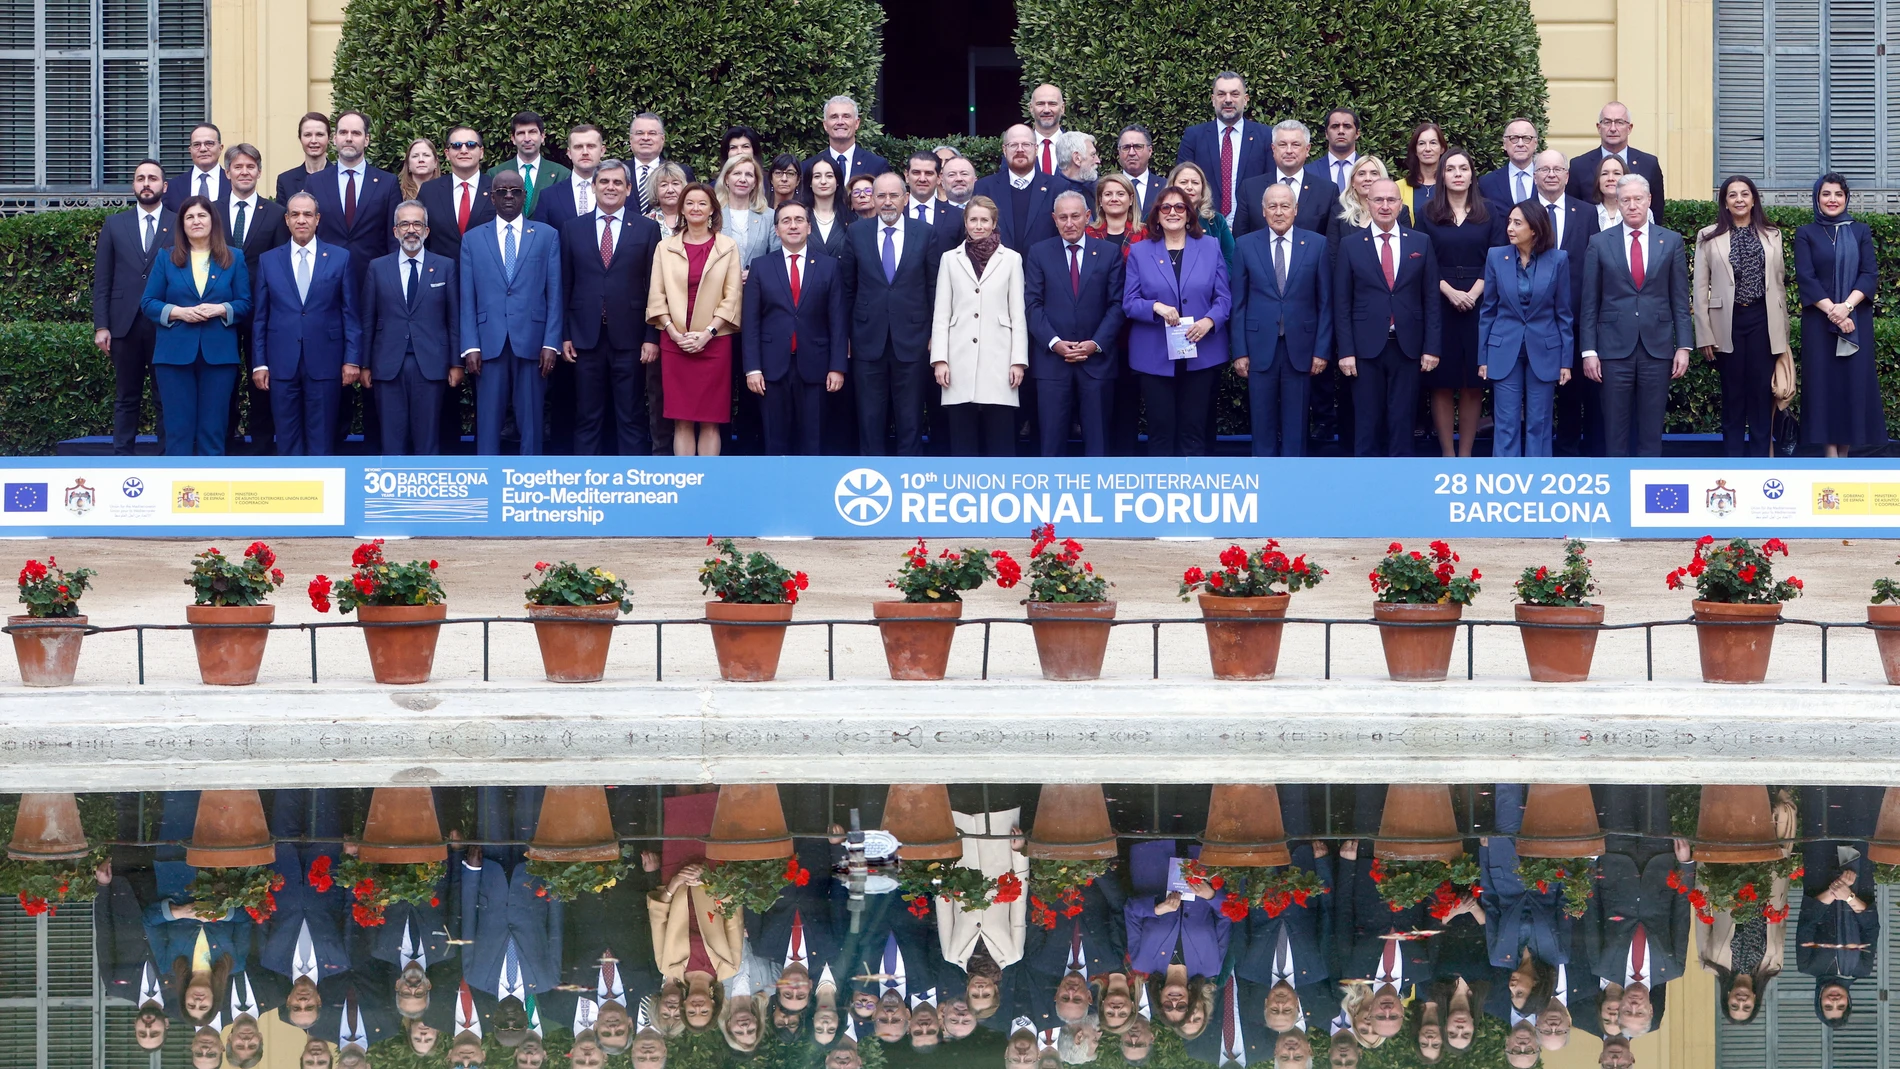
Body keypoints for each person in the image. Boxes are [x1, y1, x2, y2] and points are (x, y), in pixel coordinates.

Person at [1580, 174, 1694, 457]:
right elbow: (1589, 302)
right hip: (1612, 348)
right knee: (1614, 429)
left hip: (1657, 348)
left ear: (1649, 201)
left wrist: (1684, 346)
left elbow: (1680, 299)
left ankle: (1648, 489)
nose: (1632, 205)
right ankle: (1618, 492)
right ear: (1617, 203)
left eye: (1638, 199)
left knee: (1651, 428)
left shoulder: (1671, 241)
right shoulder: (1599, 242)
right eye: (1626, 200)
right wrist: (1588, 351)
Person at [1334, 179, 1442, 457]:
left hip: (1408, 347)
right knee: (1366, 424)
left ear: (1400, 205)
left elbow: (1431, 299)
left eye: (1391, 200)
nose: (1384, 205)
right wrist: (1345, 351)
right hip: (1364, 349)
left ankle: (1400, 489)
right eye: (1378, 200)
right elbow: (1342, 303)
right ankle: (1364, 489)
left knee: (1403, 423)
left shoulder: (1421, 242)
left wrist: (1431, 348)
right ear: (1367, 203)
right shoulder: (1350, 245)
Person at [1122, 185, 1232, 456]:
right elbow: (1129, 303)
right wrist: (1155, 306)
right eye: (1165, 207)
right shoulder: (1140, 251)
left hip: (1203, 351)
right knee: (1160, 431)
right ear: (1156, 215)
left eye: (1180, 207)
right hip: (1154, 354)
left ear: (1189, 214)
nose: (1173, 212)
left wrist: (1209, 321)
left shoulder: (1210, 246)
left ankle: (1193, 493)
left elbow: (1224, 298)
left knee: (1194, 431)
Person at [561, 159, 661, 457]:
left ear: (629, 189)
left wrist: (651, 337)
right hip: (584, 337)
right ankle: (586, 485)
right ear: (593, 187)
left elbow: (654, 286)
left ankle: (632, 487)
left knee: (630, 415)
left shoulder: (646, 228)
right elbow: (565, 285)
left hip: (630, 338)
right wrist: (565, 334)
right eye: (604, 182)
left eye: (618, 182)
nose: (610, 187)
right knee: (587, 416)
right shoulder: (571, 229)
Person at [460, 169, 563, 455]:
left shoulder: (546, 235)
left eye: (515, 191)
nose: (508, 196)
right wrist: (470, 345)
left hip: (532, 342)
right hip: (488, 341)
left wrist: (550, 342)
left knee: (531, 420)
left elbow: (555, 295)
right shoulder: (472, 239)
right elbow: (467, 298)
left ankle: (529, 481)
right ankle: (487, 479)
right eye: (502, 191)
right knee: (488, 421)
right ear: (492, 197)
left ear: (524, 196)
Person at [249, 191, 360, 455]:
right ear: (286, 220)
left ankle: (321, 493)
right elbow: (261, 317)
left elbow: (350, 313)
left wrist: (352, 359)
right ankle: (292, 493)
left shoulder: (339, 257)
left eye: (307, 214)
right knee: (286, 438)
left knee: (322, 438)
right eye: (295, 214)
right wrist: (260, 363)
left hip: (326, 361)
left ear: (318, 219)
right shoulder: (269, 260)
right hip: (281, 362)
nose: (301, 220)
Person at [140, 195, 250, 455]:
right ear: (182, 224)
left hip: (219, 356)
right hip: (174, 356)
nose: (196, 221)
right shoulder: (166, 258)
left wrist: (222, 308)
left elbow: (245, 303)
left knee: (213, 432)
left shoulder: (234, 257)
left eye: (202, 215)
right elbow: (148, 302)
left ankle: (212, 493)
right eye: (189, 217)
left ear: (213, 221)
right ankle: (177, 493)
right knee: (178, 432)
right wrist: (178, 312)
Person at [841, 172, 940, 455]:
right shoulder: (856, 233)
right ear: (872, 198)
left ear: (906, 198)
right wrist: (847, 335)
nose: (887, 202)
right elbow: (847, 288)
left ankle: (908, 476)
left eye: (893, 195)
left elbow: (934, 288)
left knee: (910, 418)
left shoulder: (925, 233)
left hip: (913, 340)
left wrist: (935, 334)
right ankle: (872, 474)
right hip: (866, 340)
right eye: (881, 195)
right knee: (870, 419)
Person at [1233, 182, 1332, 456]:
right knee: (1261, 425)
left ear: (1296, 209)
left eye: (1285, 206)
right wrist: (1239, 351)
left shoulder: (1317, 244)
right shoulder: (1244, 245)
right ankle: (1264, 484)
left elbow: (1325, 303)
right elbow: (1238, 303)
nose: (1279, 212)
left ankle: (1293, 485)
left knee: (1296, 426)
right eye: (1272, 206)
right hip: (1258, 347)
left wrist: (1322, 351)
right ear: (1263, 211)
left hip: (1301, 347)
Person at [1693, 176, 1789, 458]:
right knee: (1733, 397)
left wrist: (1782, 334)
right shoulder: (1708, 236)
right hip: (1727, 323)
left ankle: (1760, 465)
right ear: (1724, 201)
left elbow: (1779, 284)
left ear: (1754, 199)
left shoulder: (1772, 234)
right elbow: (1700, 288)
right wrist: (1704, 334)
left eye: (1744, 194)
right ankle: (1733, 465)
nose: (1739, 199)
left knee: (1761, 396)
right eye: (1732, 195)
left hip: (1763, 320)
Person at [743, 201, 846, 455]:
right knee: (774, 441)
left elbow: (837, 320)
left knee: (814, 441)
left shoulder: (829, 266)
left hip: (816, 367)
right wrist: (752, 368)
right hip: (771, 368)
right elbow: (751, 322)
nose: (793, 225)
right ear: (776, 230)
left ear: (809, 227)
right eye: (786, 221)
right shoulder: (761, 266)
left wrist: (837, 367)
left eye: (799, 220)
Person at [648, 182, 742, 456]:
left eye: (702, 203)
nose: (696, 208)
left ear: (713, 208)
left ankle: (707, 486)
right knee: (682, 420)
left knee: (711, 421)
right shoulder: (665, 248)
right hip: (674, 341)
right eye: (690, 203)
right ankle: (686, 484)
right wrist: (674, 333)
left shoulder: (727, 246)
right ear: (682, 209)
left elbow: (732, 296)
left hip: (714, 342)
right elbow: (656, 296)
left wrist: (708, 333)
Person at [930, 195, 1028, 456]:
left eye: (985, 220)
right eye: (973, 220)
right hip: (958, 356)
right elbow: (941, 313)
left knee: (1001, 437)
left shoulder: (1012, 259)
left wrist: (1018, 360)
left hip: (999, 357)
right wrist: (940, 359)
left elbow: (1018, 313)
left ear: (994, 223)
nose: (979, 225)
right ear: (966, 223)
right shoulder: (950, 259)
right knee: (962, 437)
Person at [1416, 148, 1496, 458]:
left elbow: (1497, 257)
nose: (1458, 174)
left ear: (1472, 174)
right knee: (1442, 382)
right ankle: (1447, 457)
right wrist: (1449, 292)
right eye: (1451, 169)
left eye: (1464, 168)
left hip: (1480, 301)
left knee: (1473, 381)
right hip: (1439, 301)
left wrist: (1474, 293)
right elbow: (1422, 259)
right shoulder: (1426, 213)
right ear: (1442, 175)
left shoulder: (1490, 212)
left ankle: (1466, 457)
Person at [1796, 173, 1882, 458]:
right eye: (1826, 194)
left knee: (1851, 384)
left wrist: (1846, 307)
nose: (1832, 200)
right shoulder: (1806, 232)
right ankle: (1829, 455)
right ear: (1817, 198)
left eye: (1838, 194)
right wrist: (1833, 312)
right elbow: (1806, 278)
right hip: (1819, 323)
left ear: (1846, 198)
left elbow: (1869, 274)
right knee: (1823, 385)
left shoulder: (1860, 231)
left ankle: (1844, 456)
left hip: (1855, 320)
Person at [1479, 201, 1573, 456]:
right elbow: (1488, 310)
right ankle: (1505, 480)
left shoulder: (1558, 259)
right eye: (1509, 221)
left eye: (1517, 223)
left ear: (1535, 229)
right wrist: (1483, 357)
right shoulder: (1496, 256)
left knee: (1539, 423)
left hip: (1544, 349)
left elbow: (1563, 314)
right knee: (1506, 423)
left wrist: (1566, 361)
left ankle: (1538, 480)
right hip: (1503, 347)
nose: (1510, 228)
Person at [92, 160, 173, 454]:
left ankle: (169, 460)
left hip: (166, 324)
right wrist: (102, 325)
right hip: (123, 324)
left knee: (165, 396)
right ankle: (121, 458)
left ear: (164, 187)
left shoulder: (179, 223)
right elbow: (103, 279)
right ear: (134, 185)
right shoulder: (115, 224)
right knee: (126, 396)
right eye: (140, 178)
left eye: (153, 178)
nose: (146, 183)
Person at [1528, 148, 1604, 457]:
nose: (1550, 174)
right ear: (1535, 177)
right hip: (1533, 321)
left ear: (1567, 176)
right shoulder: (1522, 211)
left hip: (1575, 318)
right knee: (1538, 395)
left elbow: (1596, 263)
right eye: (1544, 169)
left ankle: (1573, 455)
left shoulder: (1585, 212)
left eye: (1557, 169)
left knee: (1576, 393)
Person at [223, 144, 290, 451]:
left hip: (261, 311)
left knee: (260, 380)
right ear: (227, 173)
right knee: (222, 381)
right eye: (238, 167)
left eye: (251, 167)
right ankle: (225, 440)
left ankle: (262, 445)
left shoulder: (276, 213)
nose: (245, 172)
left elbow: (279, 262)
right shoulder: (210, 210)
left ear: (259, 172)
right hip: (219, 311)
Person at [308, 111, 399, 287]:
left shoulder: (387, 183)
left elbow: (393, 237)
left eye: (356, 133)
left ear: (367, 139)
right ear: (334, 138)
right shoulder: (315, 182)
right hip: (325, 280)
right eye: (343, 132)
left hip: (374, 280)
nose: (349, 138)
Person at [1178, 72, 1270, 225]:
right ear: (1213, 100)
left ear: (1245, 100)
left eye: (1234, 94)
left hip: (1252, 227)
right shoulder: (1193, 136)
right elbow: (1180, 182)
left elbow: (1271, 182)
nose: (1228, 100)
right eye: (1221, 94)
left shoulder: (1266, 136)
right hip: (1203, 225)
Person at [1235, 119, 1339, 239]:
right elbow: (1240, 240)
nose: (1289, 151)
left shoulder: (1327, 191)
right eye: (1283, 145)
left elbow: (1332, 243)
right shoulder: (1250, 189)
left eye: (1295, 145)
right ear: (1273, 149)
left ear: (1307, 149)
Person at [976, 126, 1066, 252]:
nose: (1020, 150)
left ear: (1036, 149)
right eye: (1013, 145)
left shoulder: (1059, 188)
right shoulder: (984, 188)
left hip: (1044, 269)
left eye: (1026, 144)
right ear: (1004, 150)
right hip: (998, 268)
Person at [1568, 101, 1666, 207]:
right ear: (1599, 127)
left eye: (1619, 122)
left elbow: (1657, 209)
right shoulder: (1579, 165)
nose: (1613, 129)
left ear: (1629, 128)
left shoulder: (1649, 164)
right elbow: (1574, 209)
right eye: (1607, 122)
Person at [417, 125, 493, 262]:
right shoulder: (429, 191)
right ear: (447, 154)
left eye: (471, 145)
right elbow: (421, 238)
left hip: (485, 274)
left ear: (481, 152)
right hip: (441, 276)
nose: (464, 150)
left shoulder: (496, 189)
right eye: (457, 145)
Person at [491, 111, 569, 219]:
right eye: (521, 133)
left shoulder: (561, 174)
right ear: (513, 139)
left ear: (542, 136)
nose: (527, 139)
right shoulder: (495, 173)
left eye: (532, 132)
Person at [535, 123, 606, 230]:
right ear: (569, 153)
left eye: (591, 146)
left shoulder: (618, 193)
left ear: (602, 151)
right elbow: (542, 239)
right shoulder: (548, 196)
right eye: (578, 147)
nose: (585, 152)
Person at [1167, 161, 1236, 270]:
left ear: (1203, 188)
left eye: (1195, 182)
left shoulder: (1216, 221)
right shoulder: (1157, 218)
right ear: (1172, 186)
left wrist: (1214, 282)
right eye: (1183, 182)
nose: (1189, 187)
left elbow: (1230, 259)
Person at [808, 96, 889, 184]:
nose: (840, 122)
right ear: (825, 125)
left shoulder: (877, 165)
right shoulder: (808, 167)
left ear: (857, 123)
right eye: (834, 117)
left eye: (846, 116)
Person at [629, 112, 693, 216]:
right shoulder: (618, 172)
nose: (645, 138)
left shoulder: (682, 172)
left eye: (652, 133)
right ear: (631, 139)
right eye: (639, 133)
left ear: (662, 139)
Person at [717, 153, 775, 268]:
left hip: (757, 284)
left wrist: (755, 273)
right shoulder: (713, 214)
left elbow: (776, 256)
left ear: (755, 183)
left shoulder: (769, 216)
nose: (743, 179)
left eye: (749, 175)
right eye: (737, 173)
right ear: (726, 179)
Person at [1478, 118, 1541, 211]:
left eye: (1526, 138)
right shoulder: (1487, 183)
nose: (1520, 144)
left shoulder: (1547, 179)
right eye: (1514, 138)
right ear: (1504, 144)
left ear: (1535, 144)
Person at [166, 122, 228, 211]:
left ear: (220, 148)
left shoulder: (233, 183)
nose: (203, 149)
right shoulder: (173, 187)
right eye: (197, 145)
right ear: (190, 150)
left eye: (209, 143)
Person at [906, 151, 964, 245]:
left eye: (929, 173)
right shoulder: (895, 212)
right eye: (916, 173)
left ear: (939, 178)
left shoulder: (957, 216)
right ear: (907, 176)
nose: (922, 179)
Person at [275, 112, 331, 206]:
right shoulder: (285, 181)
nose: (313, 141)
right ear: (300, 138)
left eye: (320, 134)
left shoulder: (340, 178)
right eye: (307, 135)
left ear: (329, 138)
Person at [804, 156, 851, 258]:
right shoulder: (799, 217)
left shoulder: (852, 219)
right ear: (810, 183)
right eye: (817, 176)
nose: (823, 181)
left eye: (829, 176)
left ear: (837, 181)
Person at [1396, 122, 1446, 219]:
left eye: (1433, 143)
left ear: (1442, 149)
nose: (1427, 149)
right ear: (1415, 150)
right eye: (1422, 143)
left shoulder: (1451, 185)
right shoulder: (1398, 187)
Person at [1312, 107, 1363, 193]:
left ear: (1357, 133)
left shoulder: (1371, 171)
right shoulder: (1310, 171)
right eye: (1335, 126)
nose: (1341, 131)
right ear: (1326, 134)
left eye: (1347, 126)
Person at [1085, 174, 1140, 246]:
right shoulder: (1088, 233)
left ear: (1131, 199)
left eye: (1120, 194)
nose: (1114, 199)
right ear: (1100, 200)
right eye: (1108, 194)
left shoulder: (1144, 233)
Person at [1588, 155, 1640, 232]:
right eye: (1604, 174)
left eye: (1617, 173)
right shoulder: (1587, 214)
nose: (1610, 178)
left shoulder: (1640, 211)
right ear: (1598, 180)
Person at [1117, 125, 1159, 217]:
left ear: (1150, 151)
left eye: (1138, 147)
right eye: (1126, 147)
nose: (1131, 153)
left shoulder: (1165, 186)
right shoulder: (1108, 187)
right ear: (1119, 152)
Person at [1028, 82, 1068, 173]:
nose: (1046, 110)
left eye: (1052, 104)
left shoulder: (1078, 146)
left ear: (1062, 108)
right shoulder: (1017, 148)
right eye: (1040, 104)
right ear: (1031, 108)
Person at [646, 161, 689, 238]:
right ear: (655, 190)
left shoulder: (694, 217)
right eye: (664, 185)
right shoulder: (645, 222)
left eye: (675, 184)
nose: (670, 190)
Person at [399, 137, 440, 201]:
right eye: (415, 156)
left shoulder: (448, 192)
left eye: (426, 155)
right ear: (408, 164)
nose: (421, 160)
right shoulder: (397, 193)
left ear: (435, 162)